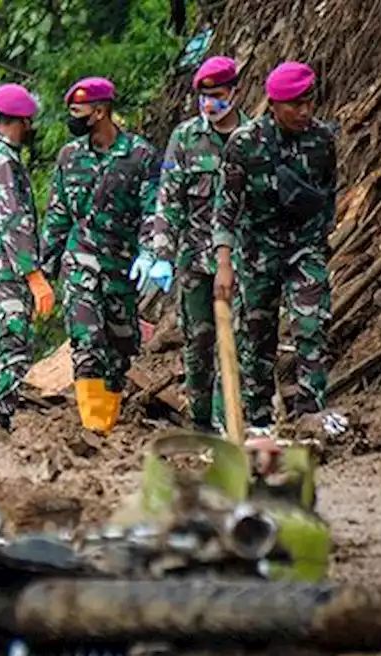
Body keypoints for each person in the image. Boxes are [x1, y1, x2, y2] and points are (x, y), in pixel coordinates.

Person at [214, 61, 337, 431]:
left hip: (304, 247)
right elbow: (226, 207)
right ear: (272, 104)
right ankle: (258, 420)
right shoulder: (244, 144)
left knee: (311, 325)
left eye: (308, 102)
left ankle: (310, 414)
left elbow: (328, 193)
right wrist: (224, 262)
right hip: (257, 251)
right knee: (257, 339)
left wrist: (318, 241)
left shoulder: (321, 140)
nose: (304, 112)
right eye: (294, 105)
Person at [42, 77, 160, 435]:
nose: (72, 118)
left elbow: (153, 210)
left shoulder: (140, 156)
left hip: (122, 266)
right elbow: (58, 214)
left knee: (119, 349)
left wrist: (152, 252)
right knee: (87, 341)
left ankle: (107, 423)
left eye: (78, 111)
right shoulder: (69, 157)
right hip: (80, 263)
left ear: (99, 111)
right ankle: (92, 426)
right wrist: (42, 272)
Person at [145, 57, 249, 433]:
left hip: (239, 258)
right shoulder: (186, 138)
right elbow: (169, 201)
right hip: (193, 257)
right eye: (204, 97)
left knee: (235, 341)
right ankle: (201, 420)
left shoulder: (252, 138)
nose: (210, 105)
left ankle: (227, 424)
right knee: (199, 340)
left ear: (235, 92)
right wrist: (161, 254)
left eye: (217, 96)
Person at [0, 84, 55, 431]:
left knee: (2, 341)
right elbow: (13, 220)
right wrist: (34, 277)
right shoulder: (3, 160)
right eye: (27, 123)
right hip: (6, 266)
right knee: (13, 343)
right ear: (18, 122)